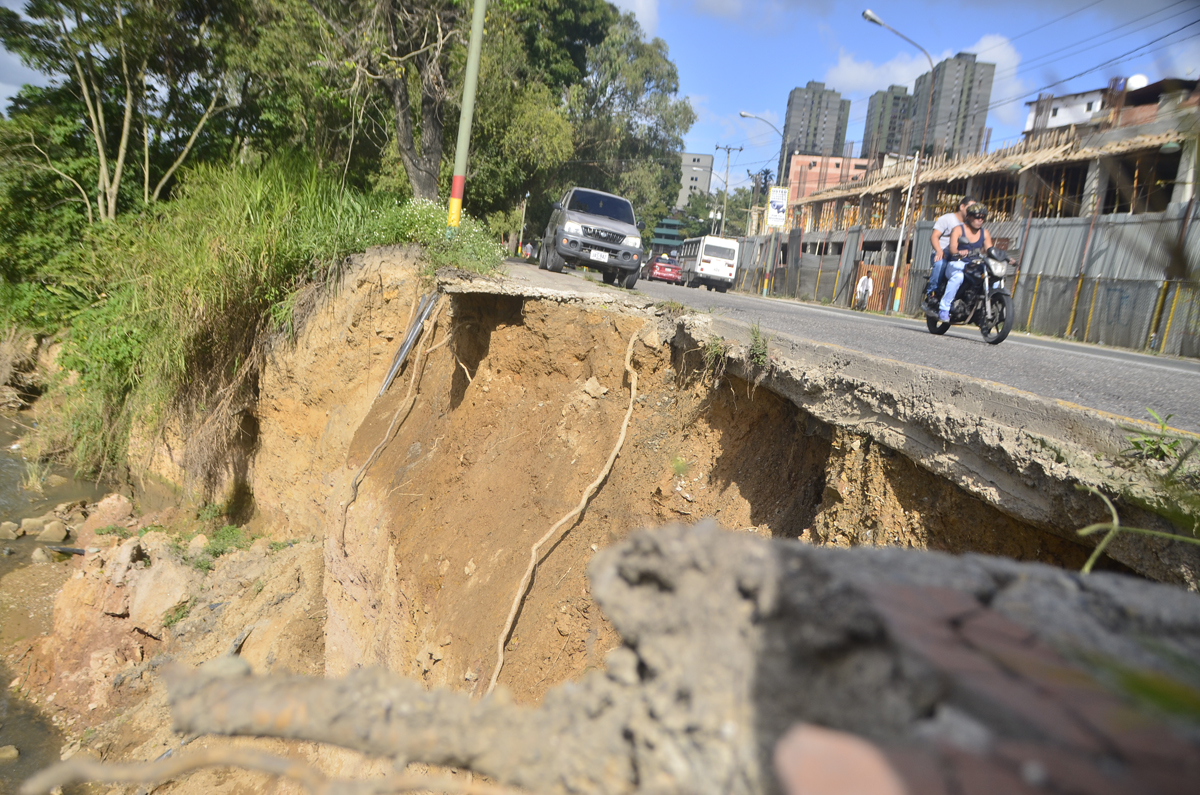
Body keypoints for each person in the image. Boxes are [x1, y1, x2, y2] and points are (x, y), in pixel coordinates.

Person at [938, 203, 993, 323]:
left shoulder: (985, 233)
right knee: (958, 277)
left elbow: (989, 249)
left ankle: (983, 309)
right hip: (957, 263)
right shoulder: (958, 229)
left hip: (974, 265)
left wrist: (1005, 257)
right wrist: (959, 252)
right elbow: (952, 248)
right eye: (977, 217)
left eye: (982, 217)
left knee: (991, 276)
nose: (980, 220)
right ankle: (944, 309)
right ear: (969, 216)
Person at [924, 196, 975, 309]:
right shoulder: (947, 219)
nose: (973, 211)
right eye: (970, 207)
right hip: (942, 254)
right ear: (962, 206)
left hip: (959, 257)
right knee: (940, 264)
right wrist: (939, 250)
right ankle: (932, 294)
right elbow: (934, 236)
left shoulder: (970, 225)